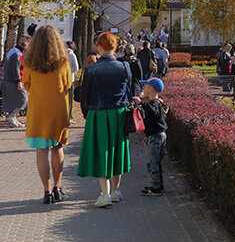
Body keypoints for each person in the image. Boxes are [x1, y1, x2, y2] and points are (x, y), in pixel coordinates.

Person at [76, 32, 132, 208]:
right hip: (119, 113)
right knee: (118, 151)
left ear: (99, 47)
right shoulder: (125, 67)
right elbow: (129, 93)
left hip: (99, 113)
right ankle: (116, 191)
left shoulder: (92, 69)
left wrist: (87, 113)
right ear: (114, 47)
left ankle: (105, 193)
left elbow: (85, 96)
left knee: (102, 151)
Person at [23, 26, 73, 204]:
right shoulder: (63, 62)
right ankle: (58, 188)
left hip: (38, 109)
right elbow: (67, 84)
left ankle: (46, 191)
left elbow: (26, 84)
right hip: (58, 108)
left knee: (41, 150)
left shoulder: (30, 63)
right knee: (57, 147)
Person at [134, 78, 170, 196]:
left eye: (146, 86)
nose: (143, 88)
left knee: (153, 162)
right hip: (155, 135)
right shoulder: (158, 102)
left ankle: (155, 187)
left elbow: (152, 112)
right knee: (156, 162)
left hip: (156, 137)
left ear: (152, 89)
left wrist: (141, 103)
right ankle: (157, 185)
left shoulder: (154, 103)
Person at [1, 36, 29, 127]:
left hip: (10, 80)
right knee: (24, 99)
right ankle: (12, 116)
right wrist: (18, 81)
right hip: (13, 81)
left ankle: (13, 117)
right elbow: (15, 69)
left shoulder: (14, 53)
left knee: (17, 99)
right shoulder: (17, 56)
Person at [65, 40, 80, 120]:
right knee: (70, 98)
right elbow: (76, 67)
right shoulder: (72, 55)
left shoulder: (62, 54)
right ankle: (69, 115)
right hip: (70, 78)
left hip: (63, 79)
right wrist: (72, 72)